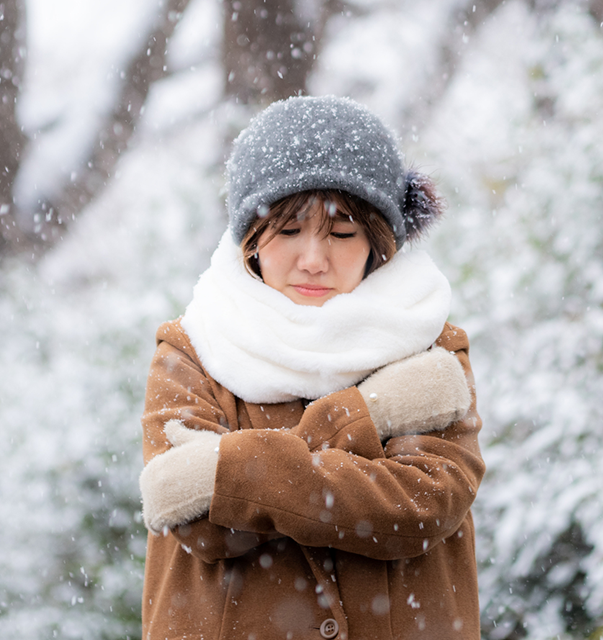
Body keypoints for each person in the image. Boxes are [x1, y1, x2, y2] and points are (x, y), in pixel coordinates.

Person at [139, 95, 485, 640]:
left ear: (379, 242)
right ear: (250, 239)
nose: (314, 259)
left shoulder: (428, 344)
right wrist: (365, 417)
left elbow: (423, 505)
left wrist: (232, 473)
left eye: (342, 232)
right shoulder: (193, 351)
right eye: (289, 230)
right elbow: (201, 526)